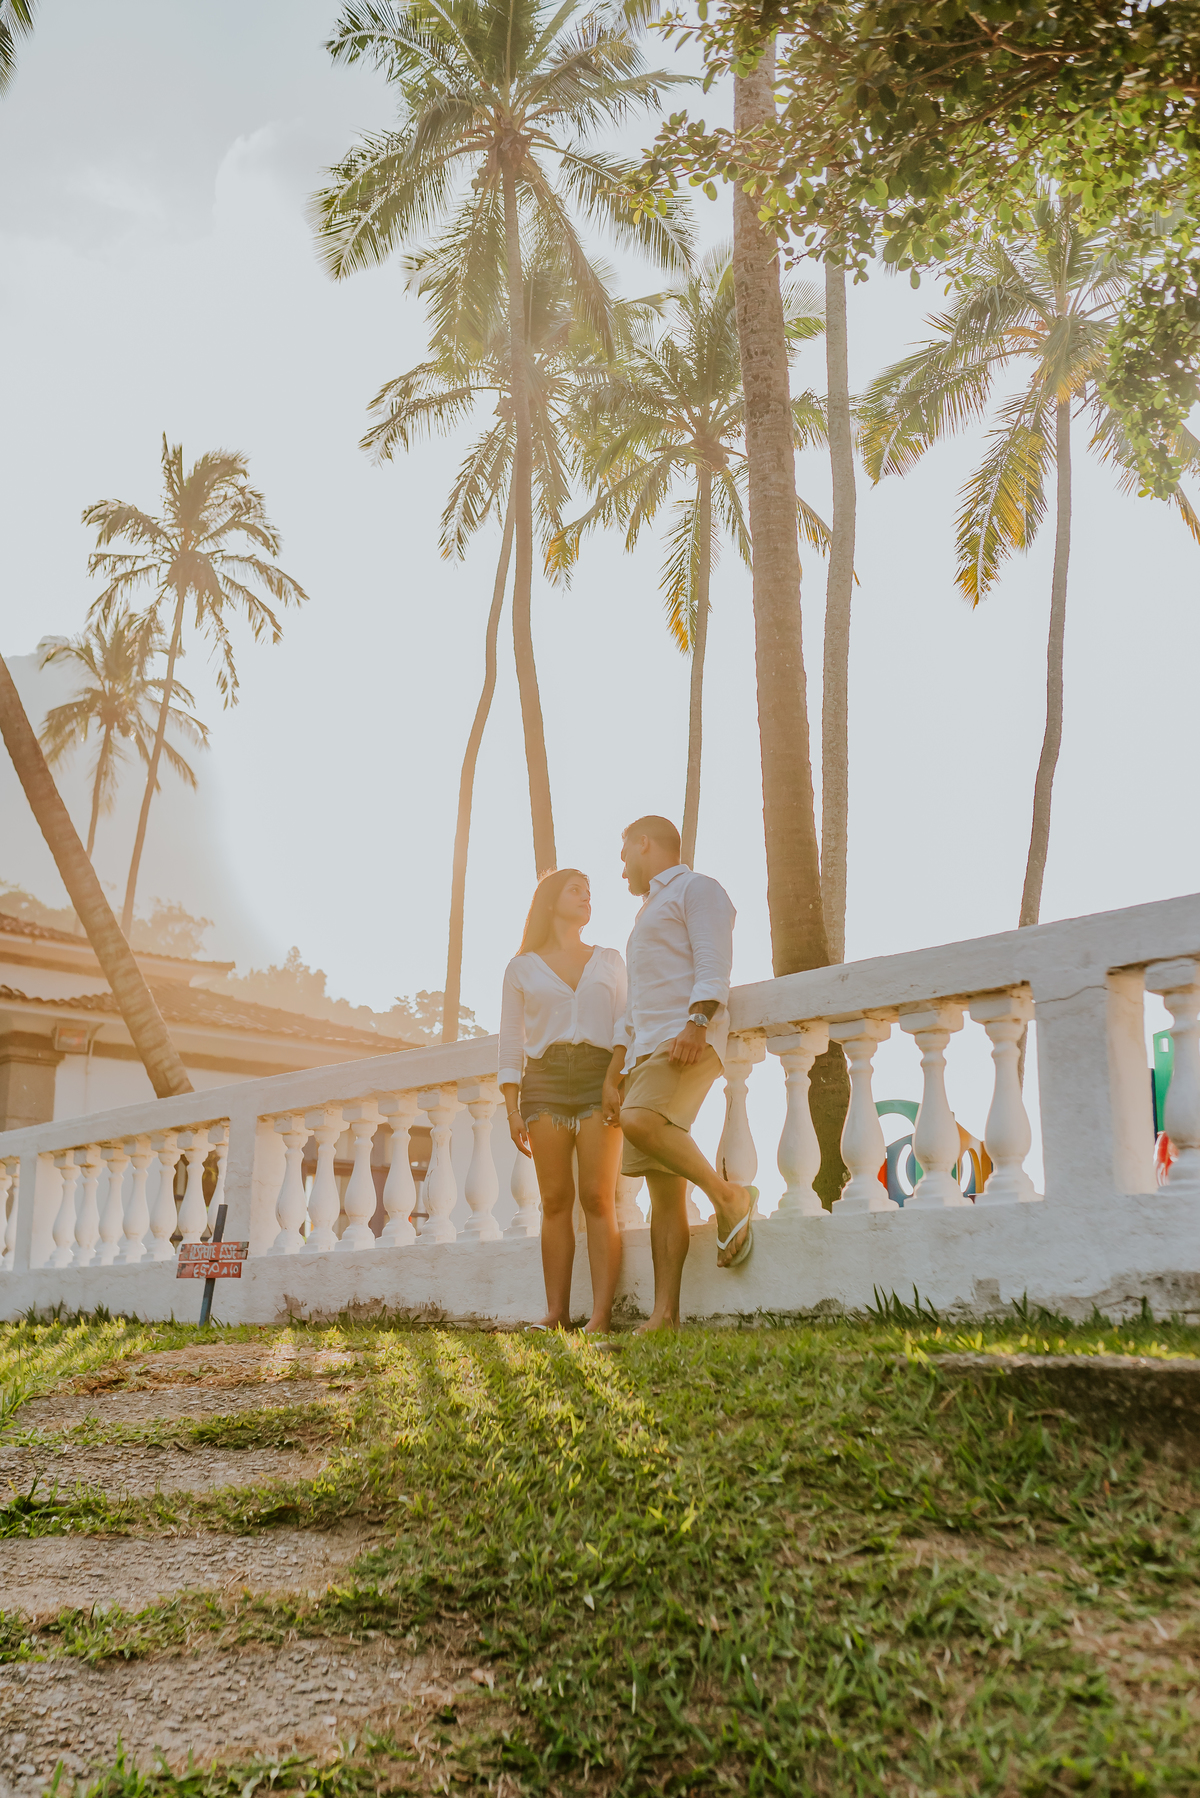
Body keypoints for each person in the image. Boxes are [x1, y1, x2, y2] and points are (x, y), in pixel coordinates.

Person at [601, 817, 755, 1332]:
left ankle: (728, 1195)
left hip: (685, 1041)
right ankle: (665, 1315)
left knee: (640, 1121)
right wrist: (616, 1069)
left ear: (645, 844)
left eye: (625, 853)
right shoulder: (645, 914)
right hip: (648, 1050)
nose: (622, 866)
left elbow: (714, 963)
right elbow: (636, 1002)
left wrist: (696, 1022)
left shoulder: (698, 889)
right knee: (662, 1190)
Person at [499, 869, 627, 1332]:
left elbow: (623, 1027)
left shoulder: (610, 960)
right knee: (555, 1199)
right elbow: (511, 1041)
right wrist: (512, 1106)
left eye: (589, 892)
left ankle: (599, 1316)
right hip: (545, 1081)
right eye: (576, 890)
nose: (586, 897)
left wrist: (615, 1078)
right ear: (551, 902)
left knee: (597, 1196)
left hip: (599, 1077)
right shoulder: (522, 967)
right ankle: (556, 1314)